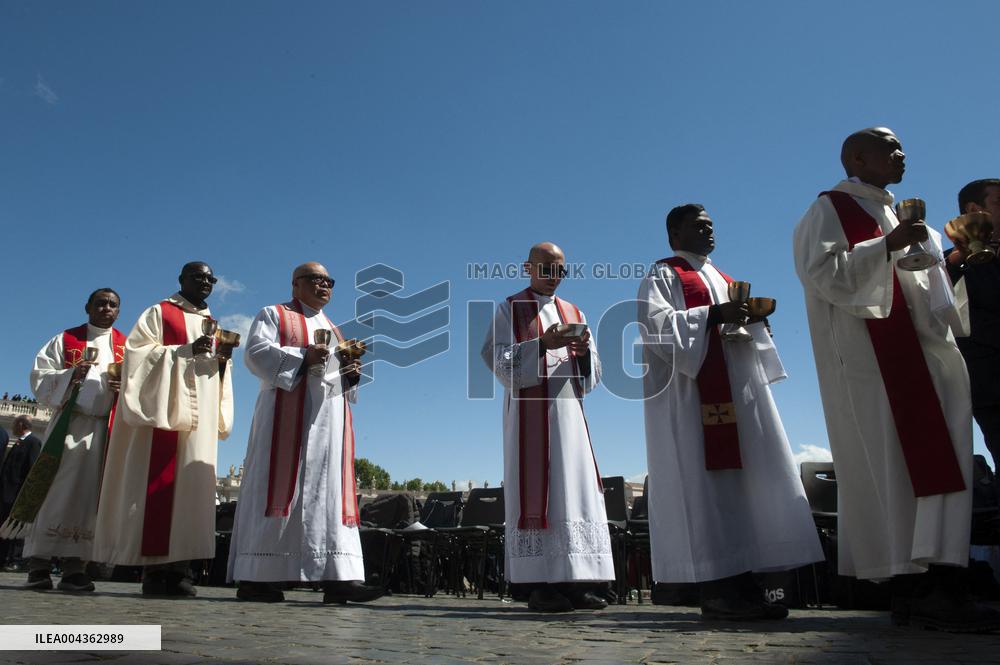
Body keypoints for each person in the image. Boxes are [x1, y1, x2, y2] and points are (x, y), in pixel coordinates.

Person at [793, 127, 1000, 632]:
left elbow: (932, 291)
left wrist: (953, 262)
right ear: (857, 158)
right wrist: (886, 245)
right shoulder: (830, 209)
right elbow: (819, 271)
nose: (902, 154)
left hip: (930, 353)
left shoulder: (909, 215)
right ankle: (918, 586)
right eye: (890, 148)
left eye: (903, 146)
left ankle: (937, 582)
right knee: (895, 468)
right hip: (877, 361)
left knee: (945, 463)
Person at [637, 204, 823, 621]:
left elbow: (738, 328)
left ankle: (745, 581)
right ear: (674, 236)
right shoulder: (664, 273)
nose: (708, 231)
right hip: (691, 397)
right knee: (706, 489)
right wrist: (713, 315)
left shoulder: (723, 278)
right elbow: (655, 327)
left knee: (745, 486)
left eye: (711, 225)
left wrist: (755, 322)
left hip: (738, 393)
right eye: (697, 226)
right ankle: (718, 588)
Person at [228, 262, 381, 605]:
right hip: (284, 418)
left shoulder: (335, 330)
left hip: (328, 423)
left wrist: (351, 373)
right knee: (278, 487)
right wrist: (303, 356)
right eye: (316, 279)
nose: (325, 285)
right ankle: (258, 577)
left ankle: (338, 577)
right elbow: (254, 353)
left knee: (328, 496)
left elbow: (338, 380)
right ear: (296, 285)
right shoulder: (275, 314)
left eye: (329, 281)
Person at [481, 242, 613, 613]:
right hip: (530, 419)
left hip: (569, 417)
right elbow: (496, 358)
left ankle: (575, 582)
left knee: (574, 493)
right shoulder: (510, 308)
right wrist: (542, 343)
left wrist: (585, 352)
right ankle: (537, 585)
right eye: (547, 269)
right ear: (528, 267)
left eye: (561, 271)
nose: (554, 277)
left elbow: (593, 375)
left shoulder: (574, 310)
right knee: (540, 494)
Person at [93, 262, 236, 597]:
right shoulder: (160, 312)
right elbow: (136, 357)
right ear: (181, 280)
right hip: (164, 417)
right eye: (198, 276)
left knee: (192, 494)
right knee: (162, 490)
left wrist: (222, 360)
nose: (205, 282)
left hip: (198, 421)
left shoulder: (210, 322)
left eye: (210, 278)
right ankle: (155, 571)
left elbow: (212, 371)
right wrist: (185, 351)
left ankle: (181, 569)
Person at [2, 289, 125, 592]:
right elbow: (40, 376)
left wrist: (125, 385)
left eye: (112, 305)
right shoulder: (65, 340)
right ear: (87, 307)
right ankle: (39, 564)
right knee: (53, 489)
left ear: (118, 311)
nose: (106, 308)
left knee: (91, 497)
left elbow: (141, 382)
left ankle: (75, 567)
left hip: (104, 431)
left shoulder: (127, 346)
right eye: (100, 303)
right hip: (67, 426)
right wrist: (72, 373)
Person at [944, 179, 1000, 472]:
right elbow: (954, 318)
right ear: (975, 210)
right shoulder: (951, 265)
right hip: (993, 386)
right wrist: (956, 261)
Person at [0, 417, 42, 571]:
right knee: (5, 525)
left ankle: (16, 560)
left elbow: (32, 469)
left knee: (17, 527)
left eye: (14, 424)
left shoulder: (33, 442)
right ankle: (3, 558)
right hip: (6, 493)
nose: (12, 427)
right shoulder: (19, 442)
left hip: (18, 493)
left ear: (21, 424)